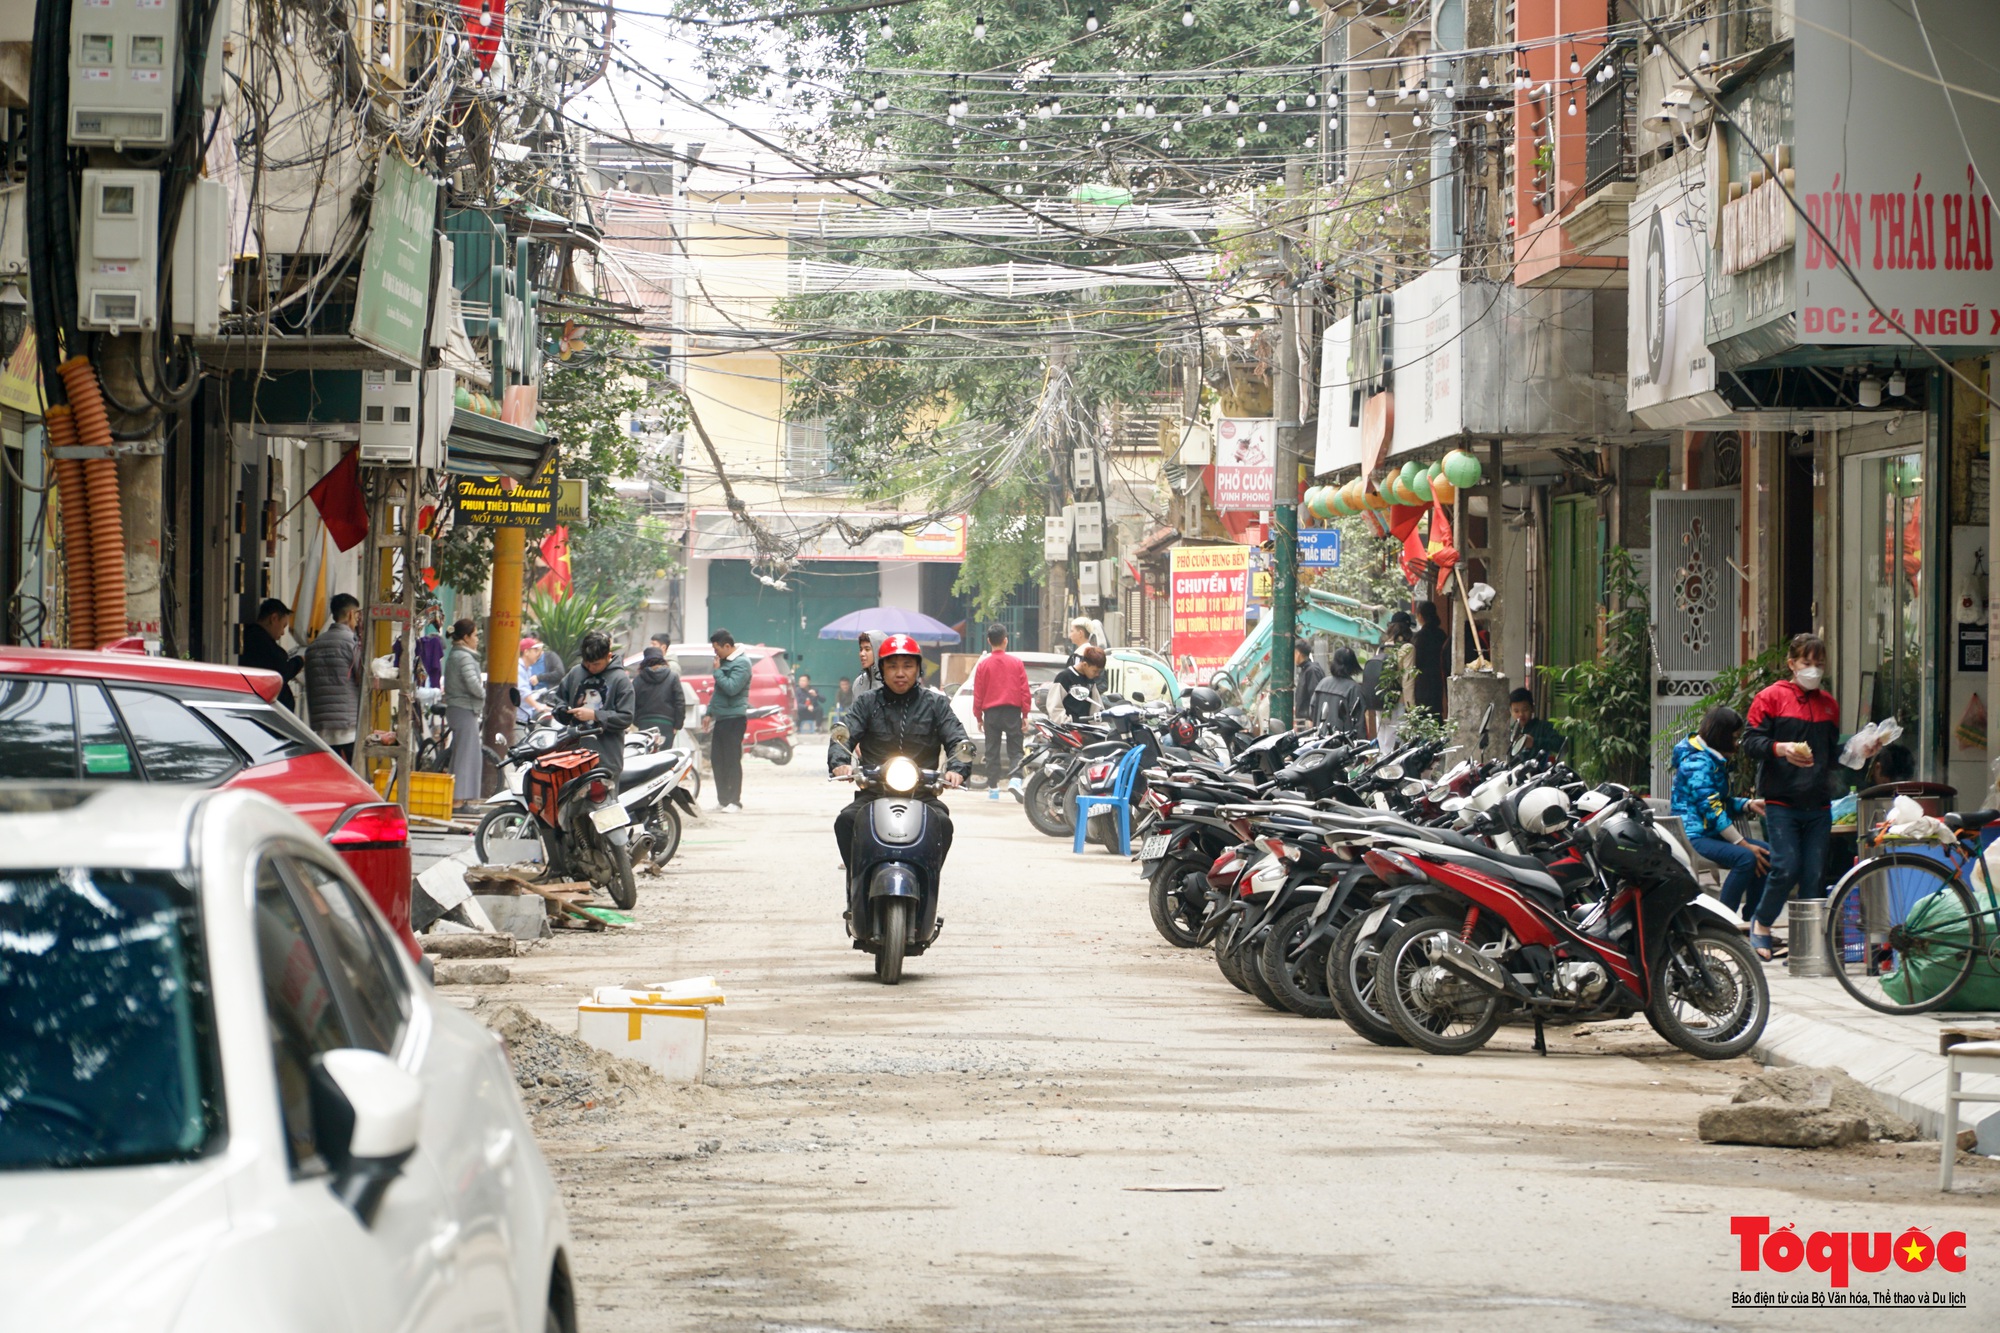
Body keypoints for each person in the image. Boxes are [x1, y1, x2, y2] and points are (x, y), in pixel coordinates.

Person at [829, 632, 970, 874]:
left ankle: (929, 881)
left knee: (943, 824)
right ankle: (856, 881)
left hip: (922, 792)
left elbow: (957, 738)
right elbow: (844, 733)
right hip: (875, 791)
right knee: (846, 821)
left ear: (918, 669)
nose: (900, 673)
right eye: (892, 666)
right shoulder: (867, 702)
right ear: (881, 669)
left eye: (907, 665)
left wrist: (957, 768)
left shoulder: (936, 704)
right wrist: (840, 761)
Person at [1741, 632, 1842, 961]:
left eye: (1819, 664)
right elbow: (1750, 743)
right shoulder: (1770, 697)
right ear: (1791, 664)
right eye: (1806, 663)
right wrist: (1780, 748)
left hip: (1819, 802)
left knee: (1814, 873)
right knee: (1786, 867)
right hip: (1782, 800)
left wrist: (1861, 751)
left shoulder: (1829, 704)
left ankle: (1807, 946)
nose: (1813, 669)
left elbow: (1830, 754)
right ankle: (1762, 922)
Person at [1672, 706, 1771, 923]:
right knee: (1746, 857)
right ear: (1722, 736)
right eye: (1735, 738)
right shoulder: (1697, 763)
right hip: (1694, 836)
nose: (1737, 744)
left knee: (1766, 854)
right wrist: (1743, 844)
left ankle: (1754, 923)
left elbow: (1720, 801)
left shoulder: (1712, 760)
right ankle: (1720, 924)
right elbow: (1713, 809)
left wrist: (1748, 804)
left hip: (1710, 834)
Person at [552, 630, 636, 781]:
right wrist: (563, 711)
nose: (591, 668)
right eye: (587, 663)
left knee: (602, 805)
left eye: (596, 664)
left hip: (605, 759)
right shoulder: (575, 673)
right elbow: (559, 700)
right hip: (573, 757)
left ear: (608, 656)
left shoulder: (620, 680)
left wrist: (595, 715)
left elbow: (626, 717)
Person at [302, 593, 365, 762]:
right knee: (355, 778)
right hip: (348, 728)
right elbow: (363, 678)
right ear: (352, 614)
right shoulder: (351, 644)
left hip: (321, 729)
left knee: (330, 778)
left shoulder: (313, 647)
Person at [971, 623, 1031, 798]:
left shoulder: (983, 665)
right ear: (1006, 640)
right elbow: (1024, 690)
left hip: (991, 713)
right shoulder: (1016, 663)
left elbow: (978, 692)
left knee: (992, 750)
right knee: (1015, 748)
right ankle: (1015, 780)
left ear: (989, 641)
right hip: (1012, 711)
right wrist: (1025, 714)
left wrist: (978, 717)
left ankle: (993, 789)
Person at [443, 618, 485, 811]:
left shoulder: (456, 655)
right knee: (466, 756)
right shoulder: (465, 657)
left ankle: (456, 798)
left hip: (458, 709)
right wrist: (484, 694)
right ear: (466, 637)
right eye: (475, 635)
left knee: (462, 754)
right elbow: (473, 683)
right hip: (464, 709)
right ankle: (458, 800)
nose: (477, 639)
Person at [708, 628, 751, 810]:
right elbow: (718, 692)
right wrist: (709, 713)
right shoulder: (725, 661)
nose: (715, 653)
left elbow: (732, 688)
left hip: (734, 718)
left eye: (717, 649)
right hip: (721, 717)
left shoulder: (742, 663)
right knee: (717, 759)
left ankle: (735, 800)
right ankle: (723, 799)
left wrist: (717, 672)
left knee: (732, 760)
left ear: (727, 646)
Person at [239, 597, 302, 711]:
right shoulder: (260, 642)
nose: (283, 633)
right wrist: (299, 661)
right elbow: (282, 671)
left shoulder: (257, 638)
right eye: (283, 626)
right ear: (274, 618)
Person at [1363, 611, 1415, 744]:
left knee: (1383, 742)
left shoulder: (1381, 648)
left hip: (1381, 702)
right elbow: (1407, 681)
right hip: (1398, 702)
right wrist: (1411, 708)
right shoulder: (1407, 648)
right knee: (1396, 744)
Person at [633, 644, 685, 741]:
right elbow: (679, 702)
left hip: (645, 724)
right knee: (665, 755)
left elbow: (632, 702)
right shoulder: (672, 676)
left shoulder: (638, 679)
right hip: (667, 723)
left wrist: (638, 721)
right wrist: (678, 724)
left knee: (646, 754)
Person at [1312, 645, 1368, 734]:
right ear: (1353, 665)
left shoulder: (1322, 684)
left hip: (1320, 740)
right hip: (1343, 743)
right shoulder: (1354, 689)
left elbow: (1312, 711)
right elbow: (1359, 724)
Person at [1409, 600, 1448, 718]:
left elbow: (1415, 662)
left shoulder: (1419, 637)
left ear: (1420, 615)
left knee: (1423, 714)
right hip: (1438, 679)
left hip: (1422, 681)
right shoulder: (1441, 634)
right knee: (1436, 714)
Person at [1046, 644, 1105, 720]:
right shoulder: (1064, 678)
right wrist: (1067, 722)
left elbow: (1096, 708)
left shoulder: (1091, 681)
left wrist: (1101, 726)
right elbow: (1055, 708)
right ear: (1085, 664)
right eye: (1095, 671)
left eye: (1099, 672)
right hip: (1065, 729)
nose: (1097, 674)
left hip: (1085, 729)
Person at [1506, 688, 1565, 759]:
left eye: (1525, 710)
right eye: (1516, 711)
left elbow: (1560, 744)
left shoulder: (1544, 727)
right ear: (1511, 712)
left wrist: (1534, 742)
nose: (1521, 714)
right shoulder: (1510, 732)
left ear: (1532, 708)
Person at [1293, 640, 1325, 728]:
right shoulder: (1306, 670)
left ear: (1298, 653)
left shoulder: (1311, 671)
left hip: (1308, 721)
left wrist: (1312, 718)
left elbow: (1315, 696)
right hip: (1304, 719)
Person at [853, 632, 882, 701]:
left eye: (867, 649)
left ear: (878, 650)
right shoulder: (858, 683)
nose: (862, 654)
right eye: (861, 649)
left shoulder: (891, 683)